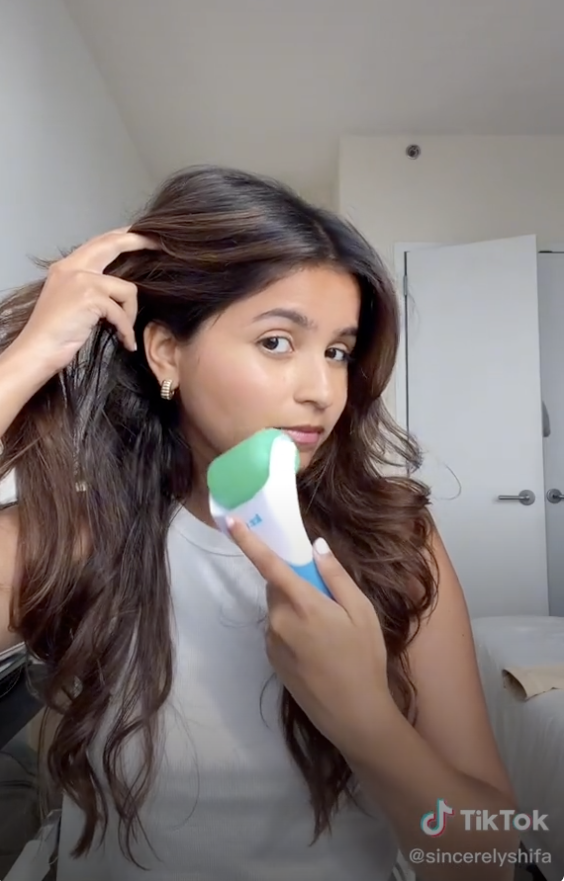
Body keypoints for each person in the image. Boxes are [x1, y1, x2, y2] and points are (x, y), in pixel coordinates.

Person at [0, 166, 518, 881]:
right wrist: (24, 361)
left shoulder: (393, 542)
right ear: (166, 353)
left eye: (338, 350)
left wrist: (366, 720)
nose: (322, 390)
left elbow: (489, 859)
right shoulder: (78, 535)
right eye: (278, 341)